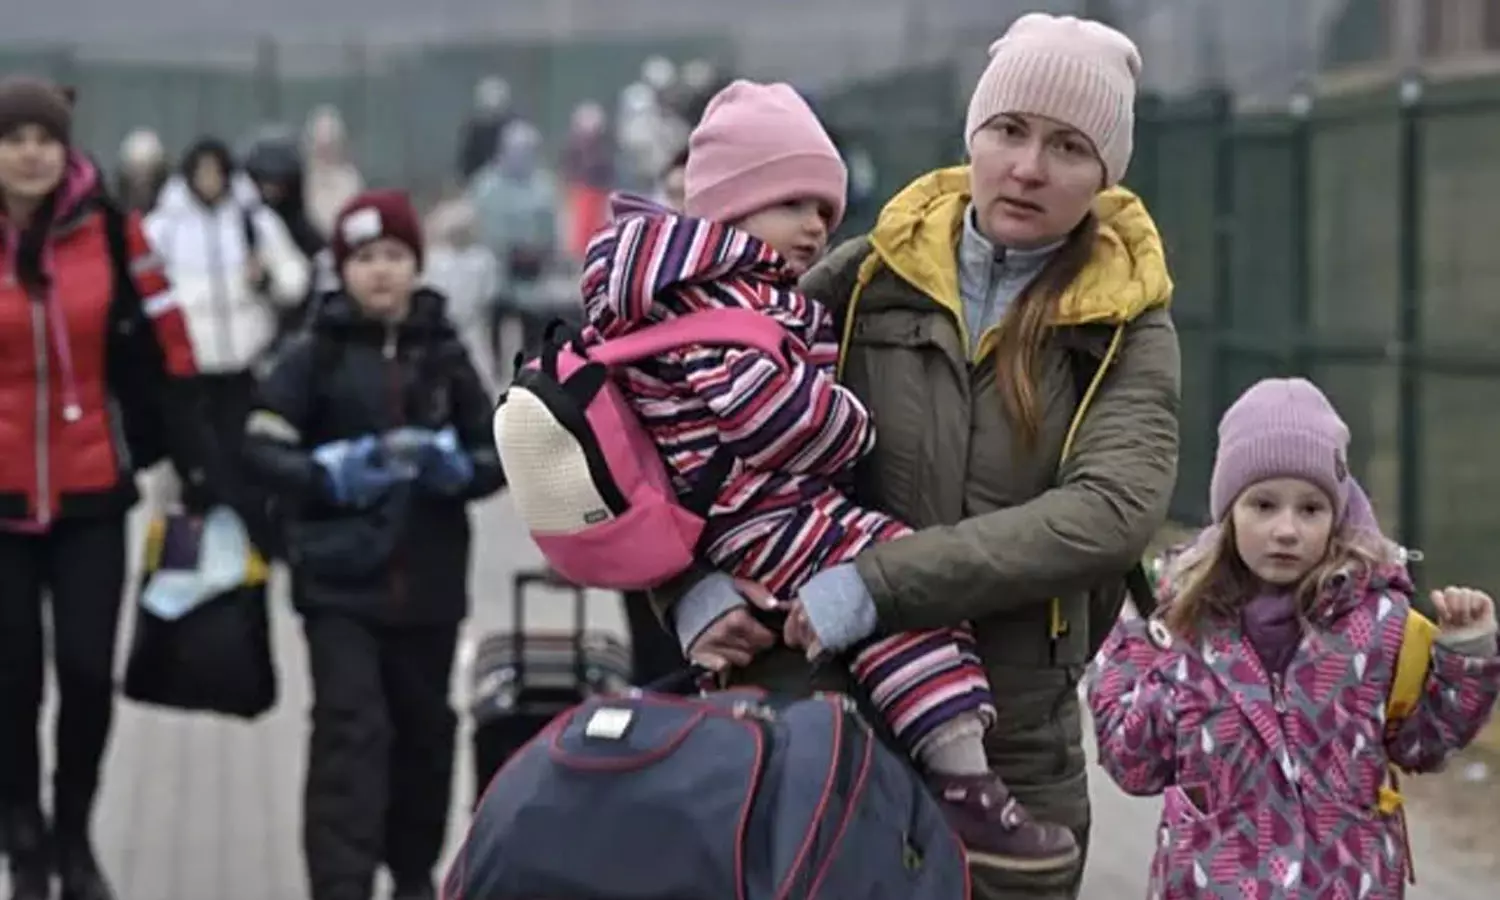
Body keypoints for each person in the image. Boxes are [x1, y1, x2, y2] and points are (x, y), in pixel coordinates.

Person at [652, 15, 1176, 898]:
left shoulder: (1127, 322)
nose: (1028, 167)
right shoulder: (863, 280)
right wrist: (690, 593)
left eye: (1069, 147)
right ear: (974, 135)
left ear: (1105, 174)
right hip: (817, 722)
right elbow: (672, 426)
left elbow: (1109, 515)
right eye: (1009, 130)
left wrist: (876, 585)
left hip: (1009, 749)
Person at [581, 79, 1075, 871]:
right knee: (901, 589)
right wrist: (853, 422)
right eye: (792, 204)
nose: (816, 226)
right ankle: (963, 780)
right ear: (732, 208)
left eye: (824, 208)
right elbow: (768, 416)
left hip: (744, 518)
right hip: (764, 516)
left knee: (884, 600)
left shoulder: (682, 292)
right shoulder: (720, 303)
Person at [1088, 378, 1500, 895]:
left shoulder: (1380, 624)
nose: (1286, 530)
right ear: (1229, 512)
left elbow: (1424, 744)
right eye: (1263, 505)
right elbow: (1135, 765)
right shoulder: (1182, 623)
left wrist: (1465, 655)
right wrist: (1127, 639)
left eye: (1310, 509)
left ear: (1337, 515)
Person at [0, 75, 227, 900]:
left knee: (87, 673)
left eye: (45, 139)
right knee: (12, 681)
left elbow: (169, 346)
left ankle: (74, 835)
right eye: (14, 139)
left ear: (66, 150)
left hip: (93, 489)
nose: (31, 154)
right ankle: (22, 838)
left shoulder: (110, 229)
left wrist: (199, 464)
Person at [242, 189, 504, 900]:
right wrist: (326, 475)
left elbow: (499, 452)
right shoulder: (314, 353)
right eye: (363, 258)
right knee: (350, 733)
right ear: (342, 269)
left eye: (393, 255)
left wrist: (458, 469)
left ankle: (413, 874)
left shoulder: (444, 352)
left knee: (425, 734)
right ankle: (342, 883)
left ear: (416, 263)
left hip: (430, 588)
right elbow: (261, 445)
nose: (380, 271)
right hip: (338, 586)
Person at [143, 137, 311, 548]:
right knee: (192, 474)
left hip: (245, 365)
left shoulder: (254, 221)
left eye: (216, 172)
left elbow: (295, 278)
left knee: (245, 468)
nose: (209, 181)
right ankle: (187, 563)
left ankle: (251, 557)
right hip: (186, 370)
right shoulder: (163, 227)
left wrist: (265, 279)